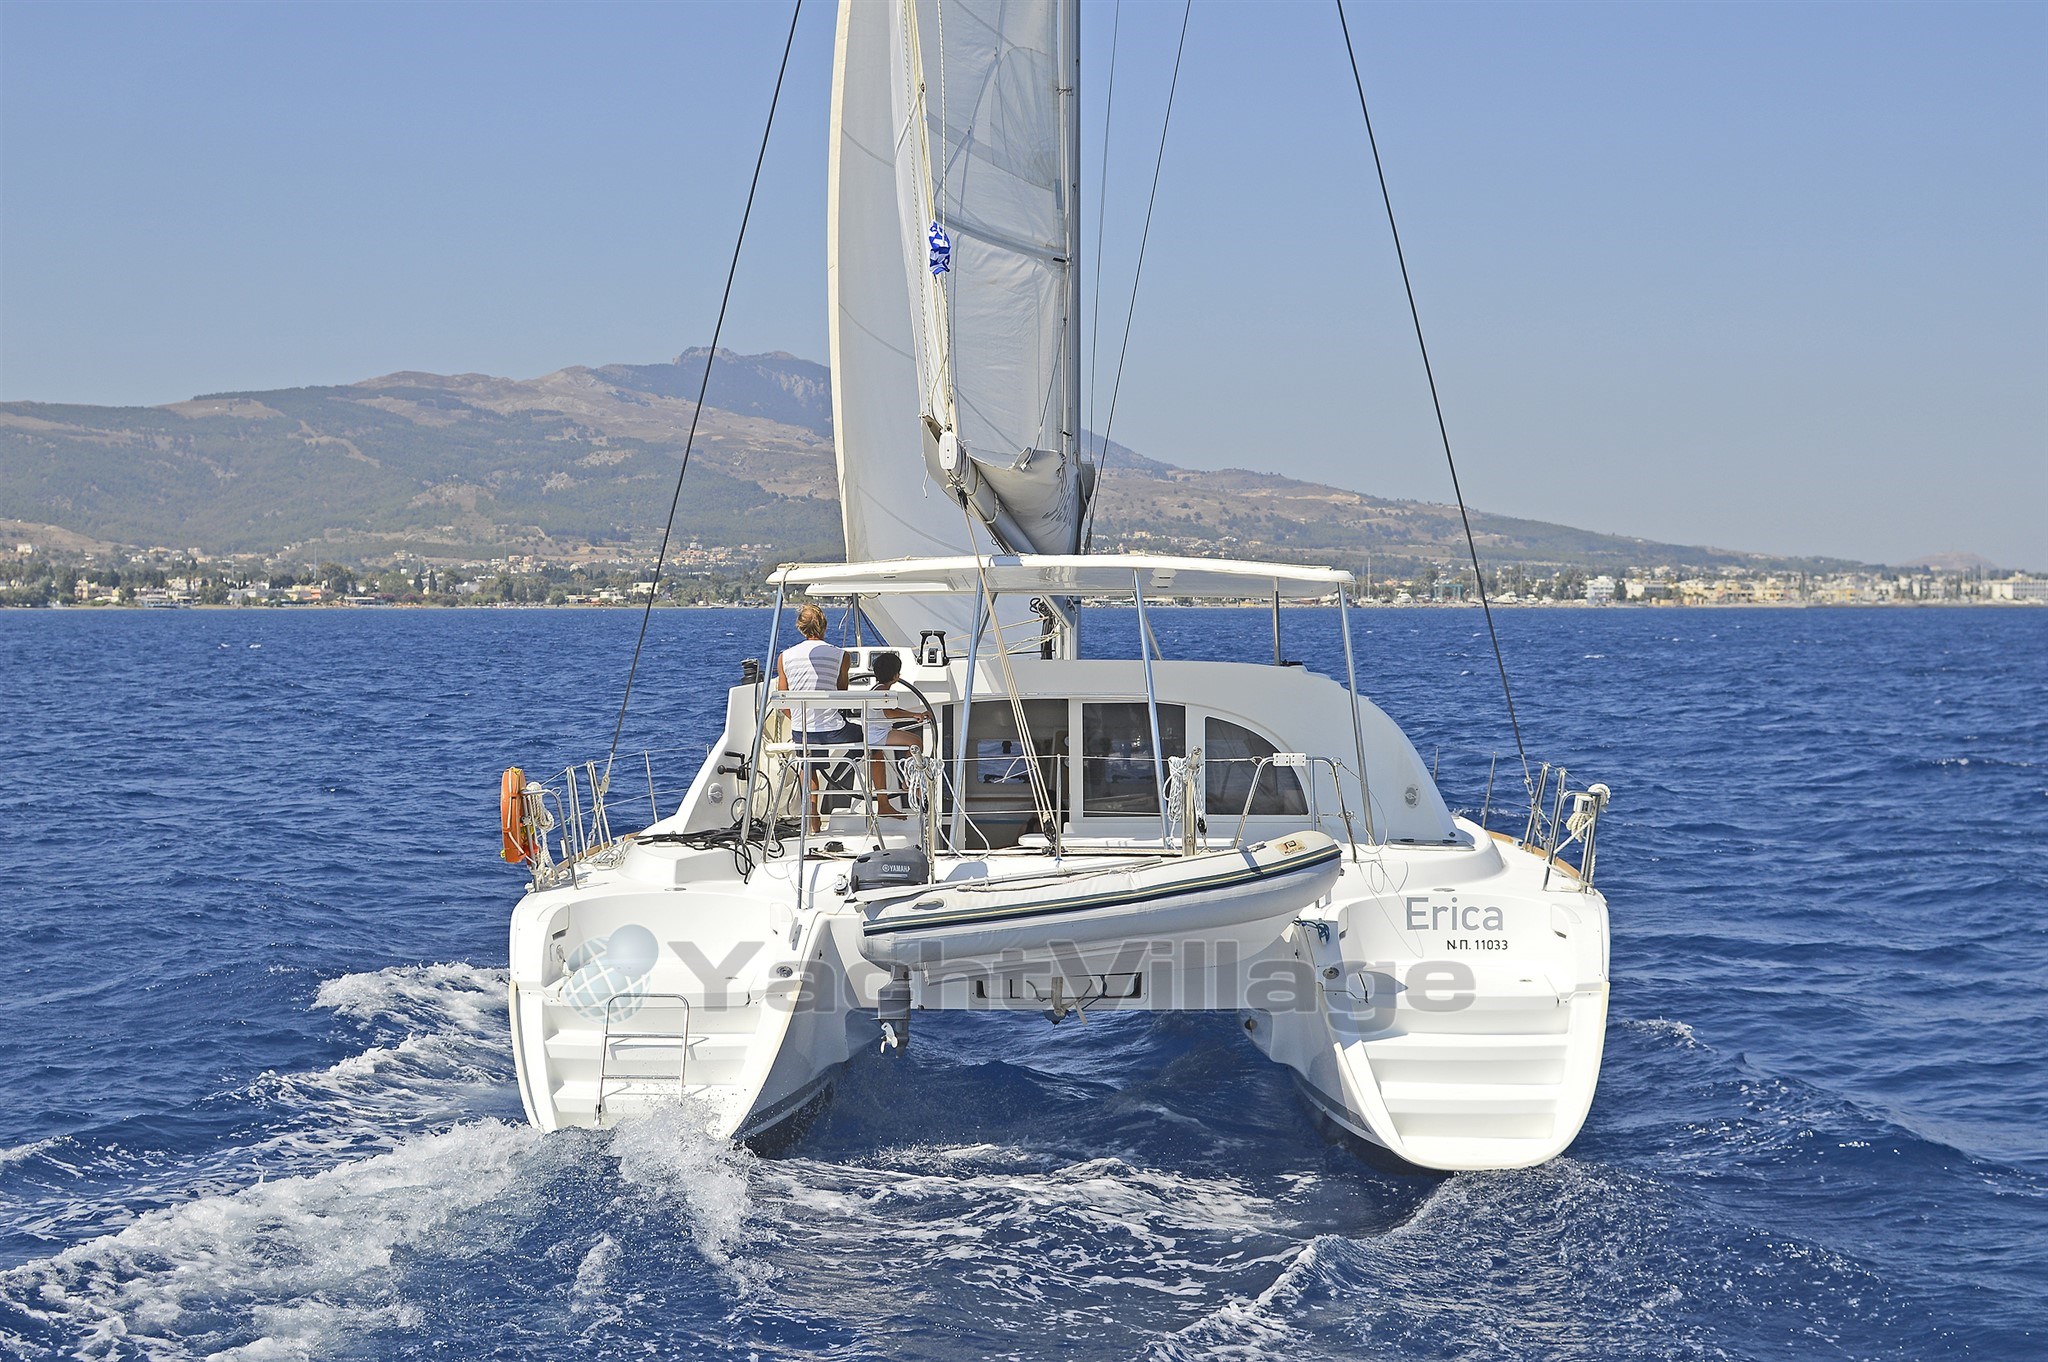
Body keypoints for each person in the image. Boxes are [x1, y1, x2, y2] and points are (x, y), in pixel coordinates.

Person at [777, 603, 855, 831]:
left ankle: (813, 816)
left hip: (802, 729)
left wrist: (799, 718)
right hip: (833, 730)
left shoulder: (785, 657)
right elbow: (841, 696)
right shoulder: (841, 656)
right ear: (824, 626)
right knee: (873, 741)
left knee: (808, 764)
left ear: (800, 627)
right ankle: (883, 802)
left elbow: (783, 701)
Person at [862, 651, 927, 817]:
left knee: (907, 744)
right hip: (877, 734)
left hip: (873, 732)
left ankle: (890, 799)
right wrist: (914, 715)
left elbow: (891, 710)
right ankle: (908, 781)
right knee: (915, 742)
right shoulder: (883, 692)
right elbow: (890, 713)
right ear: (896, 675)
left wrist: (914, 715)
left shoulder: (877, 689)